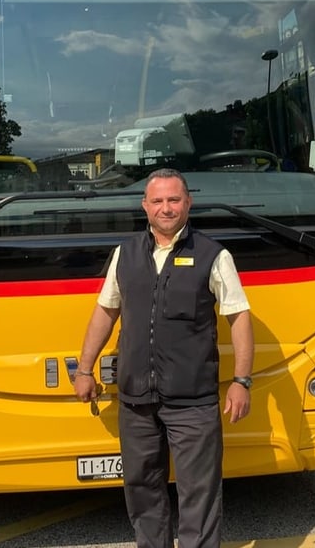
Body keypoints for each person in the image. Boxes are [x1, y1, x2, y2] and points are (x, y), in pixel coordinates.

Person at [74, 167, 254, 548]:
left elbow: (239, 317)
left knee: (199, 497)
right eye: (157, 200)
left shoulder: (213, 255)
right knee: (142, 490)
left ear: (188, 203)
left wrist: (241, 381)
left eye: (174, 200)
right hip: (136, 401)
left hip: (194, 402)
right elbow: (105, 312)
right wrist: (85, 369)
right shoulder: (125, 254)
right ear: (145, 206)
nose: (166, 208)